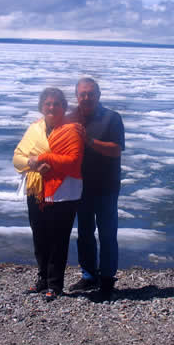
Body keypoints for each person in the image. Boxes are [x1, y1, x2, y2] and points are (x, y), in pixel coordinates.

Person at [13, 87, 84, 301]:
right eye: (47, 103)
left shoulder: (72, 130)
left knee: (58, 239)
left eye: (56, 103)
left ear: (64, 106)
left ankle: (55, 284)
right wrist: (32, 164)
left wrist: (45, 159)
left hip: (64, 192)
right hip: (36, 189)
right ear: (41, 106)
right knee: (40, 236)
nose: (52, 107)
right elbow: (17, 158)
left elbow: (73, 162)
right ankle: (42, 279)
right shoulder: (34, 129)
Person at [68, 77, 125, 301]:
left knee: (107, 234)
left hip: (106, 186)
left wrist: (89, 141)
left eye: (90, 93)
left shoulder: (112, 118)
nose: (86, 97)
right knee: (84, 233)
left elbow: (116, 150)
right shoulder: (71, 117)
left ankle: (108, 280)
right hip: (79, 186)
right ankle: (89, 275)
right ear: (77, 96)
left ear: (98, 95)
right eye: (82, 94)